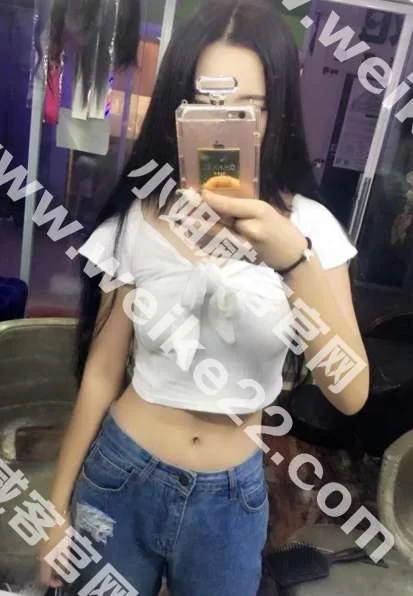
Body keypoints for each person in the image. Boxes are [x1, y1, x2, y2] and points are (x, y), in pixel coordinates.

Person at [39, 1, 369, 595]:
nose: (224, 124)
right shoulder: (139, 217)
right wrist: (55, 509)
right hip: (121, 475)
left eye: (247, 107)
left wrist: (293, 260)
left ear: (276, 112)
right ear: (178, 109)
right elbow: (102, 372)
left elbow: (350, 394)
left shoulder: (310, 230)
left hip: (230, 501)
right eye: (206, 103)